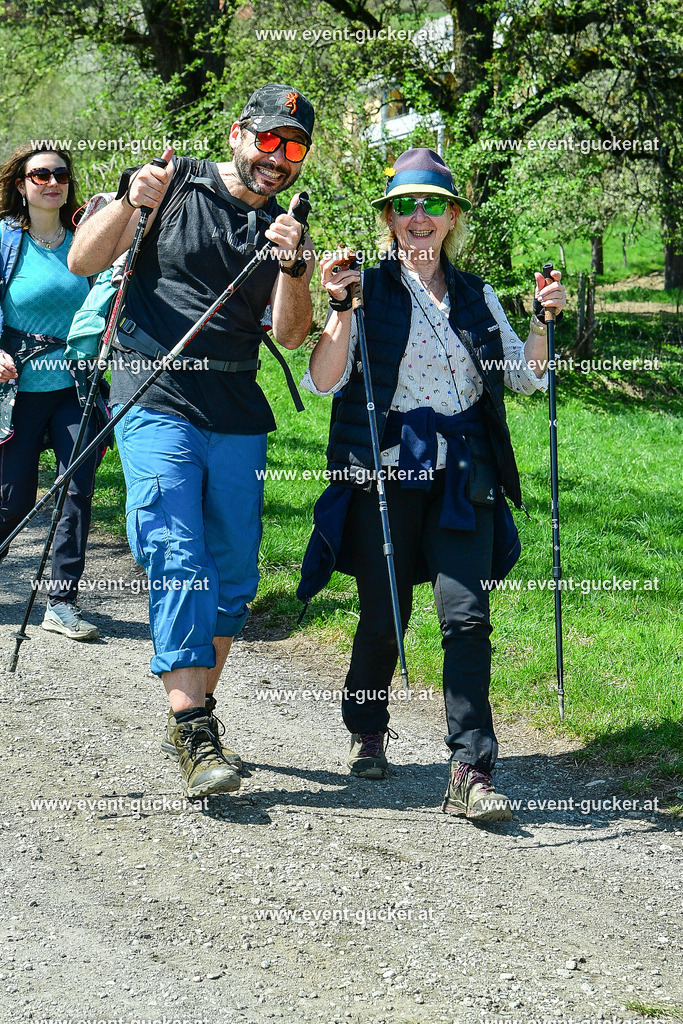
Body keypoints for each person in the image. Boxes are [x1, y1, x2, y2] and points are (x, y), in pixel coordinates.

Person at [299, 148, 566, 821]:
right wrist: (336, 307)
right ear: (388, 218)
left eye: (434, 204)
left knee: (466, 620)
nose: (419, 217)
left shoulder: (477, 296)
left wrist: (540, 321)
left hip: (460, 478)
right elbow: (324, 379)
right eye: (405, 205)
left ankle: (470, 770)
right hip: (384, 477)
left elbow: (527, 377)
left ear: (452, 218)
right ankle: (366, 729)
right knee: (385, 619)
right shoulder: (366, 288)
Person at [68, 83, 316, 800]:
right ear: (239, 132)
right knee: (175, 551)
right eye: (269, 140)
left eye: (293, 147)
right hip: (154, 393)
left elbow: (294, 335)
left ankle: (193, 717)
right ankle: (195, 726)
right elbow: (84, 260)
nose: (279, 158)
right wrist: (130, 201)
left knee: (233, 574)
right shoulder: (174, 183)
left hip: (237, 405)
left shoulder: (287, 224)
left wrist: (294, 268)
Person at [0, 143, 100, 641]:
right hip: (16, 386)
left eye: (60, 174)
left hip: (77, 386)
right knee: (13, 499)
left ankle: (61, 602)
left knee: (75, 489)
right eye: (39, 175)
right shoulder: (3, 240)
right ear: (21, 185)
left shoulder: (86, 238)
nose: (51, 182)